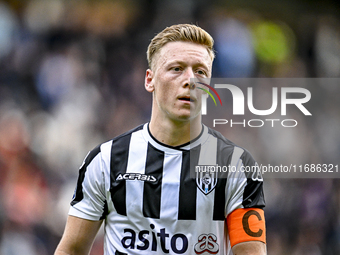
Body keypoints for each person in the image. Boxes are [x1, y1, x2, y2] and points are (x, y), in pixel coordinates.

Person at [54, 24, 266, 255]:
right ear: (150, 80)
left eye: (201, 72)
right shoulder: (106, 161)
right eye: (176, 69)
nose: (190, 80)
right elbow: (71, 249)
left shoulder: (236, 165)